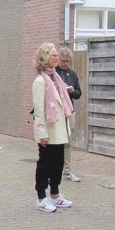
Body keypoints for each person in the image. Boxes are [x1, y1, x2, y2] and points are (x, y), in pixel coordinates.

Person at [32, 43, 74, 213]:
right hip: (48, 131)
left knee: (58, 164)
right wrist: (42, 133)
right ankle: (41, 197)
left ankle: (55, 195)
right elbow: (39, 111)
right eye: (54, 55)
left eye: (57, 55)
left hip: (60, 129)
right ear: (45, 58)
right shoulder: (40, 82)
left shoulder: (57, 78)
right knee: (45, 164)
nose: (57, 58)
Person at [56, 47, 82, 182]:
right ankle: (54, 170)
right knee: (55, 141)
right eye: (63, 61)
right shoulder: (53, 74)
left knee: (67, 141)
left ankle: (67, 171)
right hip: (56, 112)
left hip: (69, 111)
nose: (65, 64)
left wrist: (72, 92)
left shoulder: (72, 74)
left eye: (68, 61)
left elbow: (79, 93)